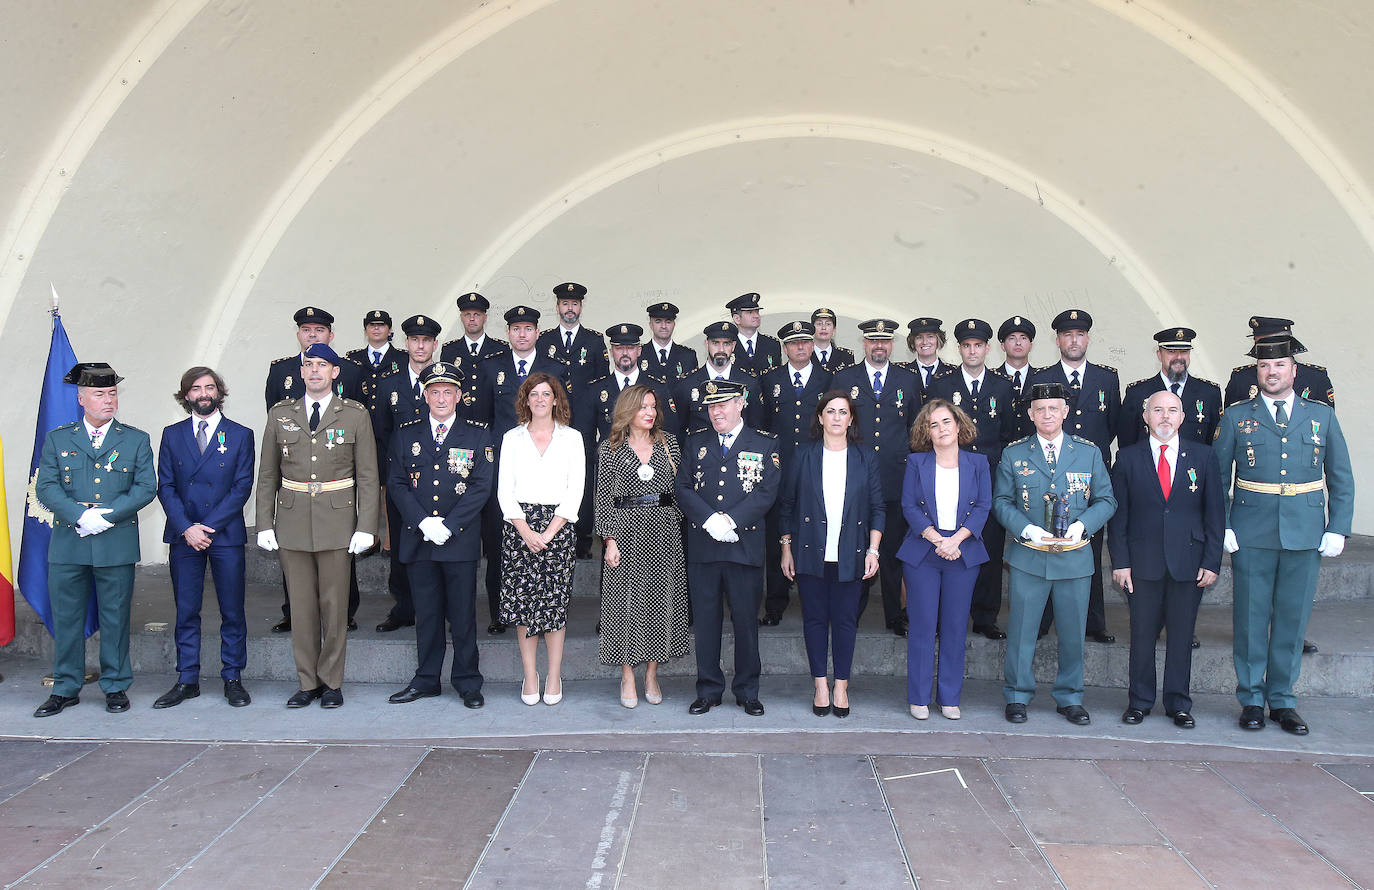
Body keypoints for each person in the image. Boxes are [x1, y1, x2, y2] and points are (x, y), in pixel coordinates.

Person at [1213, 335, 1353, 735]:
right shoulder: (1238, 416)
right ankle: (1252, 699)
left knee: (1292, 619)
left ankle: (1284, 701)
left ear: (1294, 371)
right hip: (1252, 530)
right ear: (1257, 373)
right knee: (1251, 619)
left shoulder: (1320, 415)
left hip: (1305, 530)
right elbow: (1220, 478)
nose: (1271, 372)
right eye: (1264, 366)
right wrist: (1222, 524)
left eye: (1279, 366)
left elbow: (1340, 476)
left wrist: (1339, 526)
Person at [255, 343, 379, 709]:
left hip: (338, 522)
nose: (314, 371)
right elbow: (267, 475)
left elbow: (368, 476)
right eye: (308, 365)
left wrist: (366, 526)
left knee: (335, 604)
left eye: (322, 365)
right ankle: (306, 681)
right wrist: (265, 522)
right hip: (292, 521)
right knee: (302, 606)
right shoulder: (281, 414)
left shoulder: (355, 414)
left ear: (335, 372)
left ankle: (332, 682)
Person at [33, 363, 156, 718]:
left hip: (114, 539)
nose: (108, 401)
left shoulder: (135, 439)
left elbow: (146, 486)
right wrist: (80, 515)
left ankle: (116, 685)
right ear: (81, 398)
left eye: (113, 393)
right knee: (67, 617)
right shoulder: (60, 437)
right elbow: (46, 487)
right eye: (100, 394)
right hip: (70, 541)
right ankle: (65, 686)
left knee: (116, 617)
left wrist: (106, 515)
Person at [994, 382, 1117, 725]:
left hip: (1074, 557)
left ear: (1065, 412)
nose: (1047, 415)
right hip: (1029, 556)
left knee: (1074, 633)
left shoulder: (1089, 453)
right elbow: (1002, 502)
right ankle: (1017, 695)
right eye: (1040, 409)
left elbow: (1106, 500)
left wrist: (1083, 526)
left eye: (1054, 408)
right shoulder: (1014, 453)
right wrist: (1026, 528)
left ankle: (1070, 697)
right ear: (1030, 414)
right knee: (1021, 632)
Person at [1109, 390, 1224, 729]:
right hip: (1142, 562)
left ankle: (1178, 703)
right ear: (1145, 417)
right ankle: (1140, 701)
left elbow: (1215, 514)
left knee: (1181, 636)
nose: (1164, 416)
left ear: (1183, 417)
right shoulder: (1127, 458)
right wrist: (1120, 562)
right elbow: (1119, 518)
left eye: (1172, 410)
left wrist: (1212, 561)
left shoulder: (1203, 457)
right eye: (1157, 410)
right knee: (1142, 635)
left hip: (1188, 561)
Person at [385, 362, 493, 709]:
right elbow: (398, 483)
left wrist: (450, 524)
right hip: (419, 540)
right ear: (425, 395)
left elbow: (481, 486)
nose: (442, 398)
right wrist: (421, 521)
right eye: (435, 391)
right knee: (427, 614)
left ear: (459, 396)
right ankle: (427, 679)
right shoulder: (406, 433)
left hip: (458, 540)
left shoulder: (477, 433)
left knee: (462, 616)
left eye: (448, 391)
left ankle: (467, 681)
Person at [675, 379, 781, 716]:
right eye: (710, 406)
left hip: (744, 547)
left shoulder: (764, 443)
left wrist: (731, 521)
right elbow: (683, 487)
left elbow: (766, 492)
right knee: (706, 623)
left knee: (746, 623)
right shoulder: (695, 443)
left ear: (741, 403)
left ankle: (748, 690)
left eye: (722, 405)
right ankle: (708, 689)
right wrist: (710, 521)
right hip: (704, 547)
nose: (716, 412)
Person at [153, 366, 255, 709]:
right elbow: (165, 486)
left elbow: (242, 487)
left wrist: (207, 526)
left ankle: (233, 677)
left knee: (232, 610)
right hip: (185, 535)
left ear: (219, 392)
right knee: (186, 610)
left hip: (224, 534)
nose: (204, 393)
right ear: (186, 396)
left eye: (210, 387)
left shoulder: (240, 434)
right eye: (196, 388)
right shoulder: (172, 434)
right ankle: (187, 679)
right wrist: (187, 528)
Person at [779, 390, 883, 718]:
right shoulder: (804, 455)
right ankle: (820, 684)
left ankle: (841, 685)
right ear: (820, 417)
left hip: (851, 552)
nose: (837, 417)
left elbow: (878, 508)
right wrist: (786, 548)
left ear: (851, 419)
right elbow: (787, 506)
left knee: (845, 621)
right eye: (830, 411)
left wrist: (873, 550)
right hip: (810, 552)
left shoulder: (866, 457)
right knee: (814, 619)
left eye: (843, 412)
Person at [263, 306, 366, 632]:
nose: (312, 335)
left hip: (335, 487)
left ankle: (343, 612)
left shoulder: (350, 370)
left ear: (331, 336)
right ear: (298, 335)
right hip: (295, 484)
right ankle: (293, 611)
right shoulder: (281, 372)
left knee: (339, 557)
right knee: (294, 561)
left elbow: (358, 428)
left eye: (318, 331)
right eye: (306, 330)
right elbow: (275, 426)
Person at [472, 305, 570, 633]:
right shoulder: (490, 368)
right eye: (516, 329)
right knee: (500, 541)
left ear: (537, 333)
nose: (522, 334)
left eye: (528, 328)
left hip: (545, 470)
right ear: (508, 334)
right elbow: (482, 421)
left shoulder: (554, 368)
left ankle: (543, 612)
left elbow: (565, 418)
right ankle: (502, 612)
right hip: (503, 469)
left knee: (546, 549)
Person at [594, 384, 690, 707]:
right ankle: (627, 676)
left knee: (661, 603)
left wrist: (674, 519)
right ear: (627, 410)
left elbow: (681, 490)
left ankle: (652, 673)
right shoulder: (609, 448)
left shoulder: (669, 444)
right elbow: (604, 497)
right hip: (625, 531)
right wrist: (609, 539)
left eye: (652, 407)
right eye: (642, 407)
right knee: (626, 607)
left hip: (663, 533)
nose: (649, 413)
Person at [897, 399, 991, 721]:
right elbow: (909, 506)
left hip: (963, 551)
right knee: (922, 627)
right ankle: (919, 697)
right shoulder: (916, 462)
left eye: (946, 422)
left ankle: (949, 697)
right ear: (927, 432)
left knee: (954, 627)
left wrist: (956, 540)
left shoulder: (979, 463)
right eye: (933, 425)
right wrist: (938, 539)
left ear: (959, 425)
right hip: (924, 551)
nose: (941, 429)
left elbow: (983, 506)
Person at [1031, 309, 1121, 644]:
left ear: (1087, 339)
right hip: (1048, 477)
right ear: (1058, 341)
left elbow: (1112, 426)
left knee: (1090, 550)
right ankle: (1042, 619)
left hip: (1088, 479)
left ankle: (1092, 621)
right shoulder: (1042, 376)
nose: (1074, 340)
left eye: (1080, 335)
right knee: (1044, 550)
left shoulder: (1107, 378)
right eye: (1067, 335)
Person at [497, 372, 585, 706]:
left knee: (554, 606)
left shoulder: (572, 438)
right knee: (524, 607)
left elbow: (575, 489)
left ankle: (553, 675)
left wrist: (549, 532)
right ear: (525, 400)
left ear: (556, 399)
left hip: (558, 528)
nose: (539, 399)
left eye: (546, 394)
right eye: (533, 394)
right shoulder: (512, 438)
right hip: (520, 528)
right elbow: (505, 490)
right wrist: (526, 531)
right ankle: (530, 674)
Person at [926, 318, 1016, 641]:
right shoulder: (942, 385)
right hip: (951, 473)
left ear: (988, 349)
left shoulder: (1002, 387)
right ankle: (944, 616)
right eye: (967, 345)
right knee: (947, 539)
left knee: (987, 544)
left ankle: (985, 616)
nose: (973, 351)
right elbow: (933, 430)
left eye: (978, 345)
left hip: (988, 475)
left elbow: (1008, 434)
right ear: (959, 348)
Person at [831, 319, 920, 636]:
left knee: (894, 550)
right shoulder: (844, 378)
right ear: (864, 343)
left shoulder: (908, 380)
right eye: (873, 341)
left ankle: (896, 616)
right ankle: (850, 614)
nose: (879, 346)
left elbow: (916, 429)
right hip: (856, 478)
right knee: (855, 549)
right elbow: (837, 425)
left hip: (896, 479)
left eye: (885, 341)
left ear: (892, 344)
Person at [371, 313, 444, 633]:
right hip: (401, 480)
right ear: (406, 343)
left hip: (440, 479)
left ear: (435, 345)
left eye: (426, 340)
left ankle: (441, 608)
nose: (420, 346)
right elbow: (381, 431)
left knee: (440, 544)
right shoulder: (389, 383)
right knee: (401, 543)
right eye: (414, 340)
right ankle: (404, 607)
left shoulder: (445, 383)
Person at [759, 320, 833, 624]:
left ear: (813, 344)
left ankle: (814, 603)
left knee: (816, 536)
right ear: (785, 347)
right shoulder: (769, 380)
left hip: (818, 472)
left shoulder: (829, 380)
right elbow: (762, 427)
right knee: (779, 537)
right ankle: (775, 605)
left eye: (805, 342)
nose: (800, 347)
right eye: (793, 343)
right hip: (780, 473)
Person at [1119, 328, 1222, 449]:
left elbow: (1215, 445)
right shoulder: (1137, 393)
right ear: (1159, 354)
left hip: (1195, 467)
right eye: (1171, 351)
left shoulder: (1209, 393)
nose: (1179, 357)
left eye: (1184, 351)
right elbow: (1127, 444)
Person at [672, 321, 763, 435]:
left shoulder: (749, 383)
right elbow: (679, 430)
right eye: (715, 343)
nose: (721, 349)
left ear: (733, 346)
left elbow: (756, 429)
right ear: (706, 344)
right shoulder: (687, 384)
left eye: (726, 344)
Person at [1224, 316, 1335, 408]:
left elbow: (1326, 424)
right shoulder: (1241, 378)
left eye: (1270, 343)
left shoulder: (1315, 377)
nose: (1267, 349)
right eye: (1258, 343)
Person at [991, 315, 1039, 442]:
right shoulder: (991, 379)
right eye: (1012, 338)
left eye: (1023, 338)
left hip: (1034, 453)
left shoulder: (1041, 379)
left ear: (1031, 345)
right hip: (999, 453)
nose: (1018, 343)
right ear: (1002, 346)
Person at [345, 309, 405, 400]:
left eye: (381, 325)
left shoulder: (403, 358)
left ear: (389, 331)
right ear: (365, 331)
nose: (376, 328)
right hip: (360, 412)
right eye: (372, 325)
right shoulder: (353, 358)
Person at [641, 301, 699, 381]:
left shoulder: (688, 356)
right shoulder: (639, 354)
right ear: (651, 325)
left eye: (668, 322)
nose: (663, 326)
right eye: (658, 321)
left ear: (674, 325)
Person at [726, 292, 781, 376]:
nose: (756, 316)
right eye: (750, 312)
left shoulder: (772, 344)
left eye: (757, 311)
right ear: (737, 318)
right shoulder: (726, 345)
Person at [904, 317, 957, 396]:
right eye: (919, 337)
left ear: (938, 339)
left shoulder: (954, 373)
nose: (925, 342)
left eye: (930, 336)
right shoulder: (903, 373)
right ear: (913, 342)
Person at [810, 308, 856, 372]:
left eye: (828, 324)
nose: (823, 328)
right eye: (819, 324)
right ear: (812, 328)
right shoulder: (804, 354)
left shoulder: (846, 356)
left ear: (834, 329)